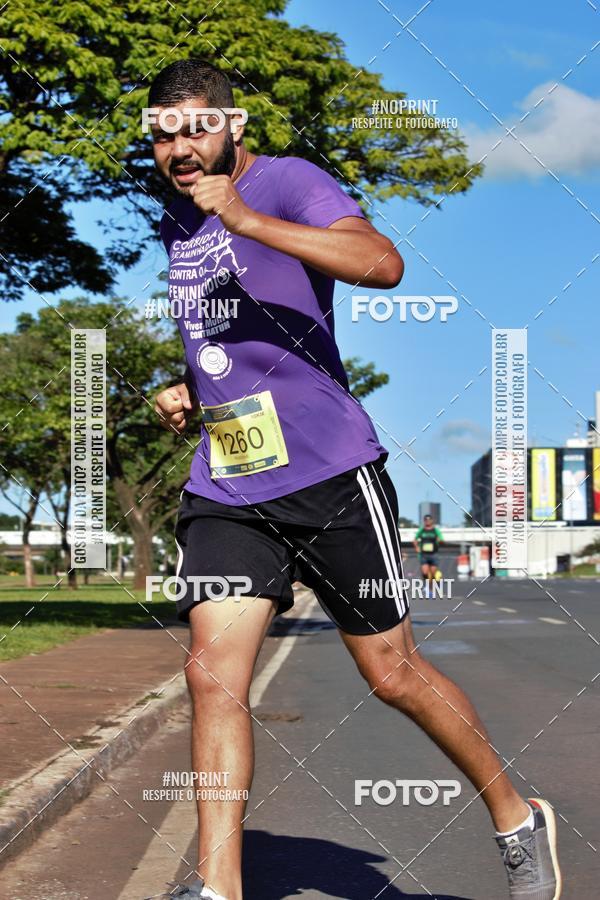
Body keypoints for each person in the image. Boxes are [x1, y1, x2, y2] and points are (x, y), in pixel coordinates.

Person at [150, 59, 561, 900]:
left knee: (392, 673)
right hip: (230, 482)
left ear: (235, 127)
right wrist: (191, 382)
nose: (181, 146)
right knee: (210, 671)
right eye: (164, 131)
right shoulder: (176, 224)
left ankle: (517, 817)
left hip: (331, 470)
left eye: (199, 125)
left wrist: (248, 217)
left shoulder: (288, 182)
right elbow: (239, 330)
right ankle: (217, 887)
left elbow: (380, 264)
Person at [413, 513, 443, 594]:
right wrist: (417, 548)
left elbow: (441, 539)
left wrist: (439, 540)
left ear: (432, 521)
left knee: (433, 573)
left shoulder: (435, 530)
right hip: (424, 554)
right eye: (426, 520)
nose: (427, 521)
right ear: (424, 521)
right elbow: (415, 540)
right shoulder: (421, 530)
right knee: (425, 572)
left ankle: (432, 586)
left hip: (433, 554)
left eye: (429, 520)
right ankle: (427, 586)